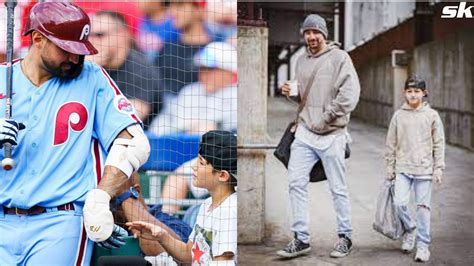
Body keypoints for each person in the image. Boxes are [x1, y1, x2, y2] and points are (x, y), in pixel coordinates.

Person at [0, 2, 150, 265]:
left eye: (80, 51)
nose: (75, 59)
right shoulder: (3, 77)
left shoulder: (92, 78)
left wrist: (100, 197)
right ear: (38, 39)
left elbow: (133, 142)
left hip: (60, 222)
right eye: (66, 49)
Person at [278, 14, 360, 259]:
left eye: (316, 32)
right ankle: (301, 239)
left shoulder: (339, 58)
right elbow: (305, 96)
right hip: (304, 133)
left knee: (338, 188)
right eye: (307, 32)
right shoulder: (301, 61)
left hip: (332, 134)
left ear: (325, 34)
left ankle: (345, 236)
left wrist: (326, 117)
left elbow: (350, 95)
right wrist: (290, 93)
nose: (311, 37)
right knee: (295, 183)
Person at [127, 130, 237, 265]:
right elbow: (188, 254)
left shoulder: (228, 212)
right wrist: (161, 235)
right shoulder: (207, 204)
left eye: (201, 163)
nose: (193, 166)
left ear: (222, 176)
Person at [385, 76, 445, 263]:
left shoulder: (432, 115)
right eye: (409, 91)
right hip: (403, 168)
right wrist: (390, 166)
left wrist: (438, 167)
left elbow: (439, 143)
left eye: (416, 91)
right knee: (399, 203)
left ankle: (423, 245)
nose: (413, 95)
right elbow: (391, 143)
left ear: (423, 93)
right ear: (405, 93)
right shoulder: (398, 115)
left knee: (423, 209)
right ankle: (410, 229)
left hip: (425, 170)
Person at [88, 10, 163, 128]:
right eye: (89, 36)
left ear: (121, 35)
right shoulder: (89, 67)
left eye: (99, 35)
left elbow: (128, 118)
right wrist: (86, 71)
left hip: (137, 141)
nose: (91, 41)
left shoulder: (142, 69)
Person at [149, 41, 237, 136]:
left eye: (211, 69)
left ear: (230, 73)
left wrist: (217, 129)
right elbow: (159, 125)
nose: (205, 74)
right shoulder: (189, 91)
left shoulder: (241, 97)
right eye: (202, 69)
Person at [112, 172, 192, 256]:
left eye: (113, 201)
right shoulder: (106, 229)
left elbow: (179, 258)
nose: (109, 209)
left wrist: (126, 196)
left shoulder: (175, 225)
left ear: (136, 192)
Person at [156, 0, 212, 101]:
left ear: (199, 9)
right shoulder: (167, 47)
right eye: (171, 6)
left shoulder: (216, 51)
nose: (172, 12)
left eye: (180, 5)